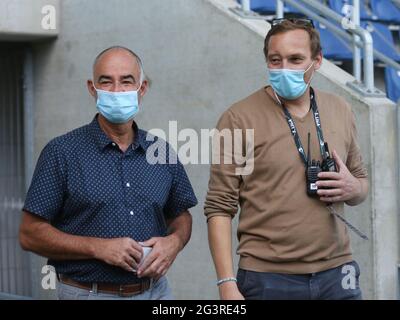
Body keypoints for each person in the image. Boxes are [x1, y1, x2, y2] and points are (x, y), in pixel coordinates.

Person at [204, 19, 368, 300]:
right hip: (267, 278)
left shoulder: (340, 108)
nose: (284, 69)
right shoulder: (238, 118)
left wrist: (354, 188)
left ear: (317, 61)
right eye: (275, 60)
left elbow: (360, 183)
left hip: (338, 272)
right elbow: (219, 207)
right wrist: (227, 283)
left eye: (295, 59)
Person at [19, 46, 198, 300]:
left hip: (155, 293)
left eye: (126, 81)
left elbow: (181, 215)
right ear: (92, 89)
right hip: (89, 294)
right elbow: (30, 234)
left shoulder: (161, 152)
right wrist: (97, 247)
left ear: (142, 88)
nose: (116, 91)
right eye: (106, 82)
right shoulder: (62, 152)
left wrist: (175, 242)